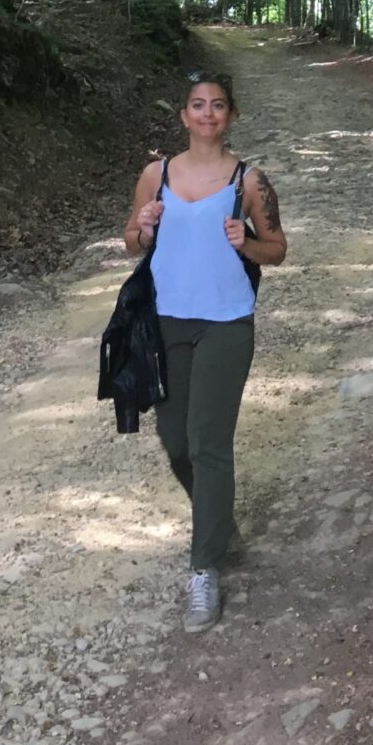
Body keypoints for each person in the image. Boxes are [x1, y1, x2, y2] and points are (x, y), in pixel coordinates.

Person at [123, 67, 287, 634]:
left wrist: (250, 241)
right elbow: (131, 241)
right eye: (198, 104)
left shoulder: (248, 179)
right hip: (165, 321)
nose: (208, 114)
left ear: (231, 115)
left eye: (218, 105)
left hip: (226, 322)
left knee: (209, 444)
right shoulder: (157, 174)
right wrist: (144, 228)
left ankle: (204, 570)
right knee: (175, 443)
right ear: (184, 115)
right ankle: (218, 523)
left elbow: (279, 251)